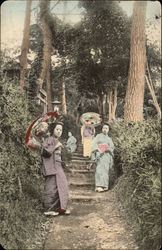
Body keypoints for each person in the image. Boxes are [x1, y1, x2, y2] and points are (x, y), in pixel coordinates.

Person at [41, 122, 70, 216]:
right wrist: (55, 146)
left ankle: (59, 207)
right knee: (51, 187)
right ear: (52, 129)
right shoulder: (49, 139)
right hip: (51, 165)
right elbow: (44, 151)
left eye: (60, 130)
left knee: (62, 184)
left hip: (58, 165)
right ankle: (49, 209)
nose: (59, 131)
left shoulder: (57, 140)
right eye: (57, 129)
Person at [91, 123, 114, 192]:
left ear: (108, 130)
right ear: (102, 129)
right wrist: (98, 149)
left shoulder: (109, 139)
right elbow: (94, 144)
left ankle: (104, 186)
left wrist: (108, 149)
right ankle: (98, 185)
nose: (105, 130)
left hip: (106, 156)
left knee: (105, 171)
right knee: (99, 170)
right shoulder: (98, 136)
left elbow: (112, 147)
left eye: (106, 128)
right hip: (100, 155)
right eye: (104, 128)